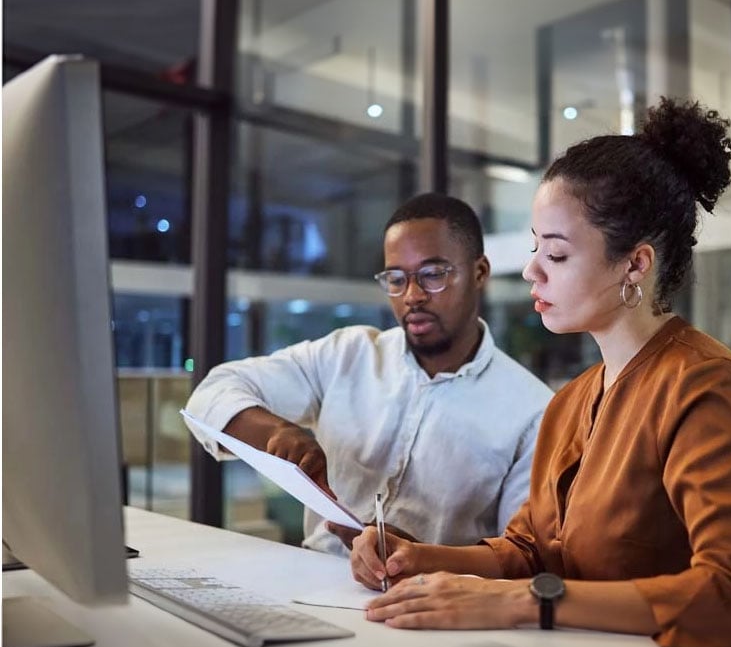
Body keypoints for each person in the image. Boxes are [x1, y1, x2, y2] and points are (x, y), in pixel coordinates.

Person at [351, 99, 731, 647]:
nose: (532, 269)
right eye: (536, 248)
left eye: (555, 255)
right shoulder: (572, 401)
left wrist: (522, 603)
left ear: (635, 264)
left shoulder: (704, 386)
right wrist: (418, 557)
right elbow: (533, 551)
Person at [184, 192, 553, 557]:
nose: (412, 296)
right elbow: (211, 393)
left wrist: (420, 555)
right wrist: (275, 433)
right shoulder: (346, 355)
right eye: (396, 278)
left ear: (479, 273)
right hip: (312, 578)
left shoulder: (533, 412)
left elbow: (518, 556)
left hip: (433, 601)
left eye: (432, 274)